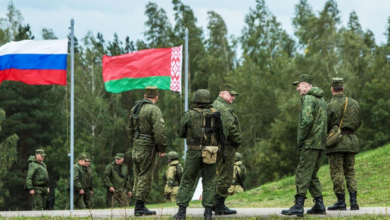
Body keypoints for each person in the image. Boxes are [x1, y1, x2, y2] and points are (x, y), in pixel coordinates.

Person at [281, 74, 327, 217]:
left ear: (306, 85)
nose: (297, 89)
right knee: (312, 173)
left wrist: (301, 139)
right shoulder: (322, 100)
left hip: (310, 142)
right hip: (320, 143)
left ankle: (298, 205)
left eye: (298, 85)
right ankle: (319, 204)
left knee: (302, 172)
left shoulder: (308, 98)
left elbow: (306, 121)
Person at [173, 89, 222, 220]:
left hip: (193, 151)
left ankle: (181, 213)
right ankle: (207, 213)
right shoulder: (215, 114)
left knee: (187, 180)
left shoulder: (189, 114)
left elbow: (180, 132)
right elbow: (223, 133)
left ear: (195, 100)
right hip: (211, 151)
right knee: (210, 181)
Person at [128, 86, 167, 216]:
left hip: (136, 145)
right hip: (147, 146)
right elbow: (159, 130)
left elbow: (130, 129)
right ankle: (139, 207)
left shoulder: (136, 108)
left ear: (145, 96)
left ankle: (139, 204)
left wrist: (133, 143)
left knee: (138, 175)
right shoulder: (154, 110)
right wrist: (161, 147)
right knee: (146, 176)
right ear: (156, 96)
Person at [326, 78, 362, 211]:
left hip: (336, 143)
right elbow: (358, 122)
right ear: (343, 88)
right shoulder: (354, 103)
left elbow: (325, 124)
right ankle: (354, 202)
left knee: (337, 172)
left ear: (332, 88)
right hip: (351, 140)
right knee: (350, 172)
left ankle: (341, 202)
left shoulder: (329, 105)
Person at [212, 83, 242, 215]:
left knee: (218, 174)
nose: (233, 97)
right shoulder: (223, 107)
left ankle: (214, 203)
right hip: (226, 145)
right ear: (222, 94)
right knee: (225, 174)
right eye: (231, 94)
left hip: (217, 145)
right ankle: (219, 206)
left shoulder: (215, 105)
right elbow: (230, 127)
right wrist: (238, 140)